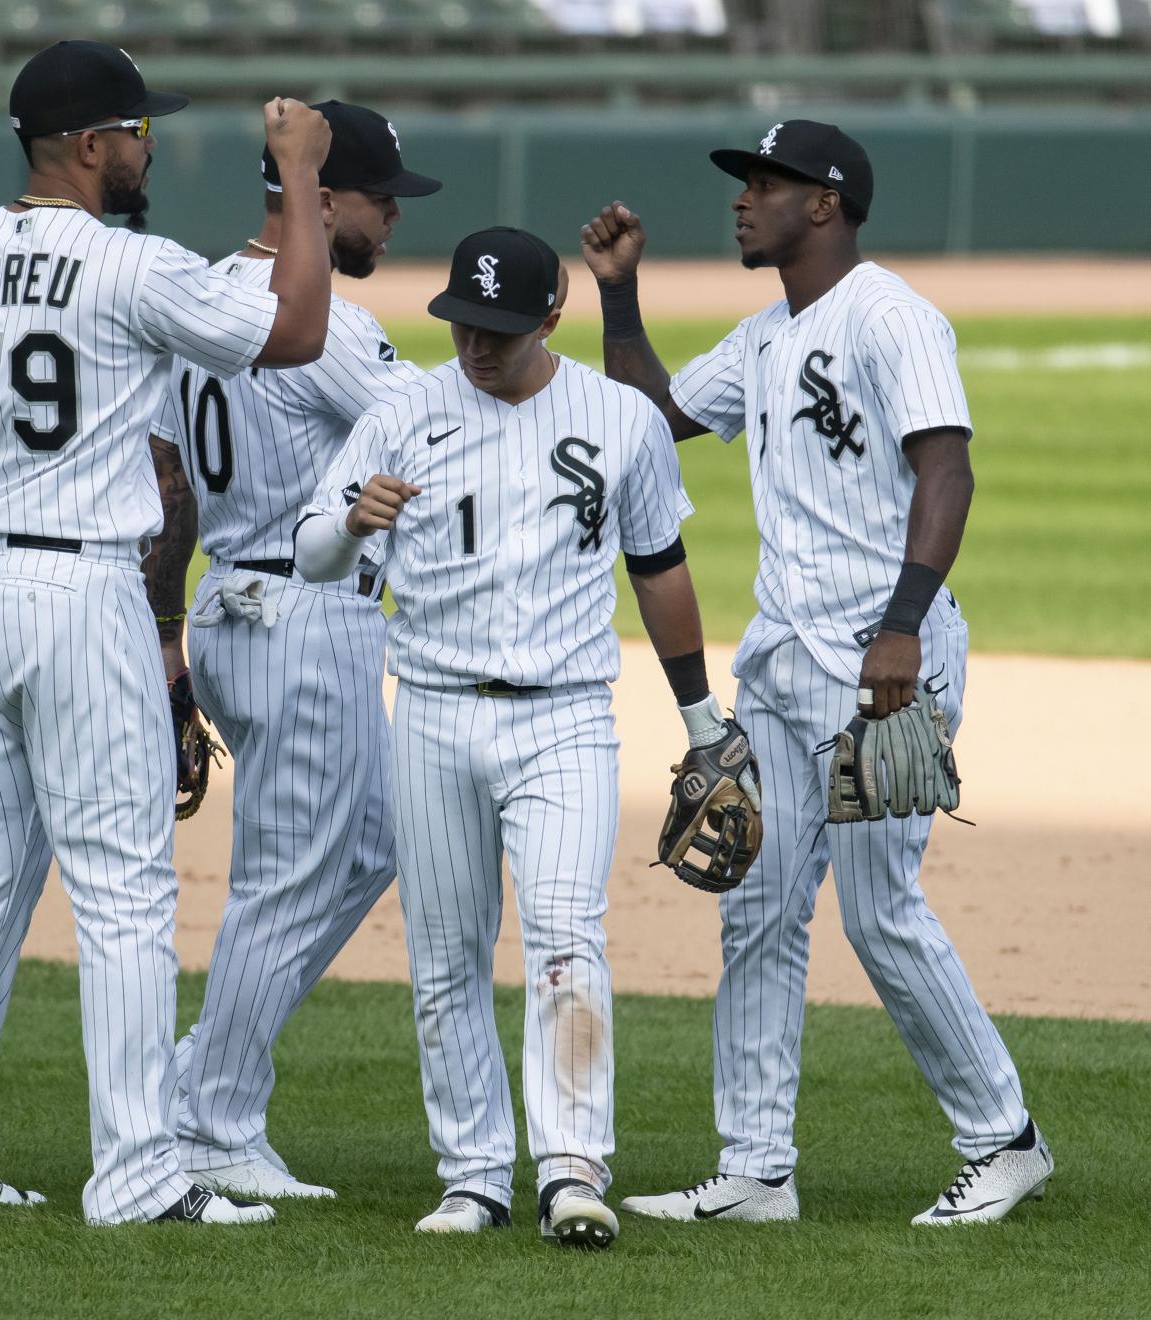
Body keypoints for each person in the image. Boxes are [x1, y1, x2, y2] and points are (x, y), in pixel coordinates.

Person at [0, 38, 335, 1226]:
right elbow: (297, 332)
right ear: (87, 146)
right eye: (135, 130)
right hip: (76, 596)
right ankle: (137, 1177)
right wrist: (303, 177)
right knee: (122, 894)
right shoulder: (127, 266)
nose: (146, 146)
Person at [581, 119, 1052, 1226]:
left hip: (886, 663)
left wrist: (901, 626)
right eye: (746, 182)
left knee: (879, 910)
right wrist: (616, 295)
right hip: (788, 662)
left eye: (766, 182)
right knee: (755, 903)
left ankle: (1004, 1138)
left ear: (826, 203)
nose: (743, 199)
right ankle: (755, 1167)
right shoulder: (761, 337)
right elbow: (651, 418)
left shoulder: (890, 317)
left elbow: (948, 466)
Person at [294, 227, 754, 1248]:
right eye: (463, 323)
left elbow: (658, 564)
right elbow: (311, 552)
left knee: (563, 937)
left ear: (552, 316)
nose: (477, 345)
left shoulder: (617, 416)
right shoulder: (402, 411)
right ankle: (470, 1178)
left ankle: (572, 1168)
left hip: (564, 717)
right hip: (434, 707)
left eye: (500, 329)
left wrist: (701, 722)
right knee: (447, 952)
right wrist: (352, 524)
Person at [141, 100, 441, 1199]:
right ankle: (212, 1118)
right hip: (303, 612)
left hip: (234, 602)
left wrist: (170, 633)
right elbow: (440, 433)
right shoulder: (322, 325)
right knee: (285, 882)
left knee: (367, 847)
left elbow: (166, 484)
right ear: (321, 197)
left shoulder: (204, 301)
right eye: (379, 202)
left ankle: (204, 1073)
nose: (393, 225)